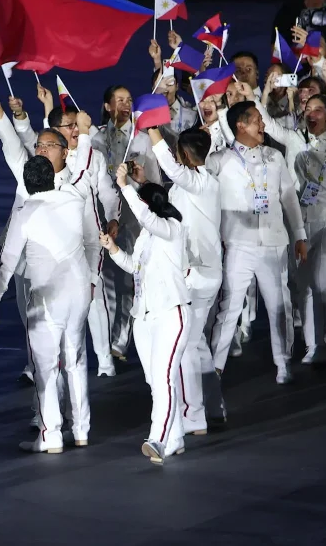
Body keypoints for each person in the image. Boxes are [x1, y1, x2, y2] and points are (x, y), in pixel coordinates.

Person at [240, 78, 326, 366]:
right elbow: (269, 125)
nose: (311, 112)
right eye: (308, 108)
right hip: (297, 222)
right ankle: (311, 344)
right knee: (303, 284)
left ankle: (324, 342)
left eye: (318, 109)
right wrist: (256, 96)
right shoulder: (294, 139)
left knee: (321, 281)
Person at [9, 84, 119, 377]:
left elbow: (106, 191)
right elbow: (27, 138)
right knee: (42, 308)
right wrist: (20, 113)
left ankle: (104, 361)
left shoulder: (91, 156)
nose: (74, 129)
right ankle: (41, 365)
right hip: (49, 246)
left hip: (86, 237)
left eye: (75, 125)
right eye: (67, 126)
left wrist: (113, 217)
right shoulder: (43, 158)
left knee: (94, 298)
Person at [0, 156, 94, 452]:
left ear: (27, 182)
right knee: (76, 361)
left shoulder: (25, 212)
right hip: (80, 292)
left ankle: (52, 435)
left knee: (46, 368)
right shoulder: (74, 198)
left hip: (48, 297)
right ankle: (82, 429)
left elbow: (7, 261)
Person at [205, 101, 308, 388]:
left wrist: (299, 235)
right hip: (238, 244)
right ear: (240, 125)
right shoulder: (220, 160)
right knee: (229, 308)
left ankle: (283, 363)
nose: (263, 126)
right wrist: (213, 124)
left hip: (274, 242)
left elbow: (288, 197)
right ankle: (215, 368)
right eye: (257, 121)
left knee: (280, 306)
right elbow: (196, 178)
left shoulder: (274, 157)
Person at [100, 169, 190, 464]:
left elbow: (147, 217)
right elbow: (134, 268)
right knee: (157, 382)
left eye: (141, 203)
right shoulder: (145, 238)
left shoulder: (173, 228)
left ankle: (158, 439)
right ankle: (175, 436)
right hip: (144, 318)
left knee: (164, 380)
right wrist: (113, 250)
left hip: (171, 314)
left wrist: (125, 187)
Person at [149, 126, 222, 433]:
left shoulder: (202, 182)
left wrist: (152, 132)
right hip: (199, 272)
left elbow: (171, 168)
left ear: (186, 154)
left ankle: (193, 414)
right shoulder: (188, 186)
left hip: (197, 275)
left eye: (178, 151)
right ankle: (213, 408)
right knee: (198, 343)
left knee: (184, 347)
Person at [91, 84, 163, 360]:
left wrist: (139, 181)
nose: (124, 104)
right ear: (108, 106)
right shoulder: (96, 138)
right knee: (106, 279)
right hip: (102, 216)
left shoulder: (142, 140)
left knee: (128, 278)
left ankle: (120, 341)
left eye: (128, 100)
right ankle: (109, 339)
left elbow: (155, 181)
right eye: (118, 100)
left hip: (133, 217)